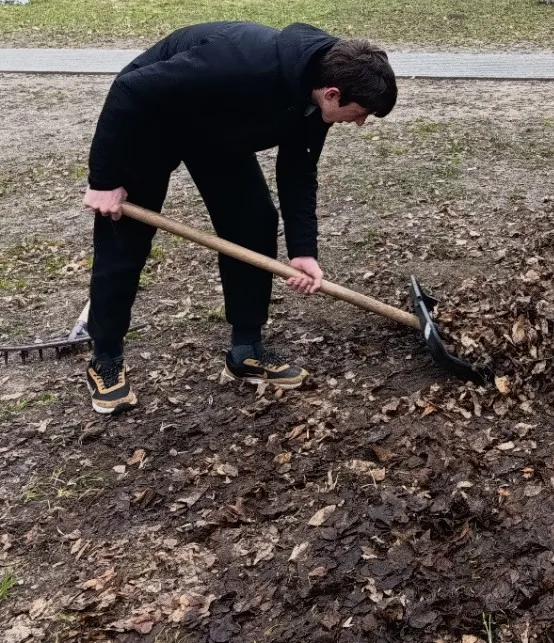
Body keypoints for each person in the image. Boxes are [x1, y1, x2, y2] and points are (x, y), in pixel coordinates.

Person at [81, 21, 398, 416]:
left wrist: (303, 251)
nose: (360, 122)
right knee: (125, 238)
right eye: (361, 113)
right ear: (333, 94)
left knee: (253, 222)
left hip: (216, 130)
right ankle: (106, 358)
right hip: (153, 118)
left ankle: (245, 350)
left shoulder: (318, 93)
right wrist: (104, 180)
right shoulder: (240, 63)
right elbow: (130, 89)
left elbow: (298, 171)